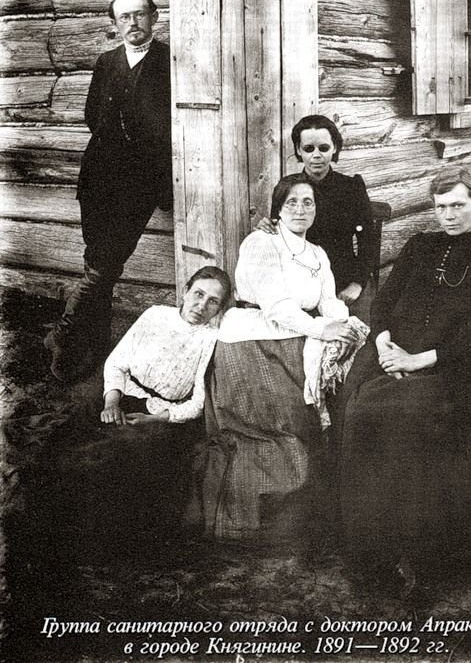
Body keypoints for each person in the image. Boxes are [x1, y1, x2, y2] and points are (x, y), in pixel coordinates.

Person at [340, 166, 471, 591]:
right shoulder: (418, 246)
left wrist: (415, 362)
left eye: (458, 205)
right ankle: (369, 544)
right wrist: (385, 345)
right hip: (390, 352)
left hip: (447, 368)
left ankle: (413, 544)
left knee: (399, 417)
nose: (448, 215)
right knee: (353, 407)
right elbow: (384, 302)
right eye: (441, 206)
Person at [201, 173, 368, 543]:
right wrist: (323, 329)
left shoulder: (317, 253)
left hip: (296, 337)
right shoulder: (261, 243)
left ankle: (307, 518)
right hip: (252, 339)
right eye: (291, 202)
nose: (300, 209)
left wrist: (343, 327)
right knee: (279, 425)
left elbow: (329, 302)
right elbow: (276, 306)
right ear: (277, 210)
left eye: (308, 202)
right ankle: (250, 524)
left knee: (342, 385)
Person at [44, 0, 172, 382]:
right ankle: (97, 346)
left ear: (154, 17)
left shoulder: (169, 61)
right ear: (115, 24)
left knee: (104, 265)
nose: (132, 23)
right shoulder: (107, 62)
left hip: (141, 183)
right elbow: (91, 115)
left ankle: (63, 333)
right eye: (124, 17)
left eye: (139, 14)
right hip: (99, 179)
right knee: (98, 262)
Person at [258, 115, 374, 309]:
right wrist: (268, 228)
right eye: (309, 149)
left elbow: (368, 240)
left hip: (342, 280)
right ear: (298, 150)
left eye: (324, 148)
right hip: (298, 279)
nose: (316, 155)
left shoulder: (351, 188)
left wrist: (357, 283)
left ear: (334, 148)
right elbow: (280, 238)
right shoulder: (287, 188)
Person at [100, 266, 231, 426]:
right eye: (199, 294)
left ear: (219, 310)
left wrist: (152, 419)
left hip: (161, 414)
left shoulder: (211, 339)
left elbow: (198, 403)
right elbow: (116, 363)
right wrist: (111, 405)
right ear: (185, 292)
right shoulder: (155, 315)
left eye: (213, 301)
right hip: (120, 392)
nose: (202, 306)